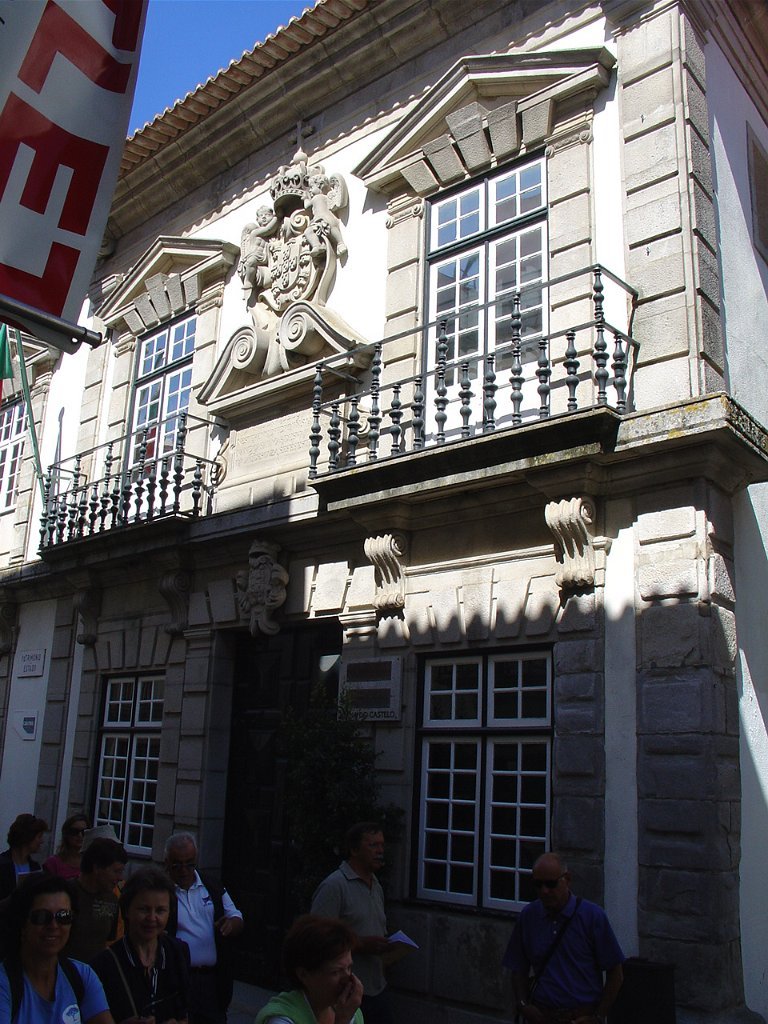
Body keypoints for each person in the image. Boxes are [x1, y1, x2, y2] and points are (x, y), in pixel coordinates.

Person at [504, 852, 625, 1024]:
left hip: (580, 1016)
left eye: (551, 884)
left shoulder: (592, 917)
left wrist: (598, 1016)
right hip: (542, 1015)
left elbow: (616, 973)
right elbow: (518, 968)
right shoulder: (529, 916)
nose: (544, 891)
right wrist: (523, 1005)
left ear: (567, 880)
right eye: (538, 885)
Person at [0, 872, 113, 1023]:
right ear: (22, 923)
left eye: (63, 916)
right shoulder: (4, 983)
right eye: (41, 917)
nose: (53, 926)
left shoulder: (83, 976)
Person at [310, 823, 391, 1024]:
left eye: (382, 845)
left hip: (376, 988)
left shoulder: (376, 886)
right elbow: (316, 938)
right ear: (354, 850)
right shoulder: (334, 886)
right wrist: (360, 944)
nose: (380, 851)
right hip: (345, 993)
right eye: (373, 845)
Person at [91, 867, 190, 1024]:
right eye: (144, 909)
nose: (152, 918)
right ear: (127, 910)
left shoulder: (177, 952)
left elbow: (185, 1012)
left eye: (160, 910)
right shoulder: (104, 963)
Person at [164, 832, 243, 1024]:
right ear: (167, 862)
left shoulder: (211, 886)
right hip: (178, 979)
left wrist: (230, 924)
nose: (184, 871)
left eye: (189, 864)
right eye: (177, 865)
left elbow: (236, 916)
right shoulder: (162, 890)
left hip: (210, 980)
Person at [255, 915, 363, 1024]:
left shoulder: (351, 1012)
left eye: (349, 968)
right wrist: (343, 1020)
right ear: (303, 975)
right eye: (335, 972)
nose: (347, 980)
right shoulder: (281, 1018)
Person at [64, 837, 128, 962]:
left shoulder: (112, 900)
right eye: (116, 871)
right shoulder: (65, 894)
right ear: (97, 868)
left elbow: (109, 941)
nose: (120, 877)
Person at [0, 814, 48, 901]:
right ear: (28, 837)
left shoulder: (35, 867)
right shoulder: (2, 865)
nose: (41, 841)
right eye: (39, 836)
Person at [43, 813, 90, 880]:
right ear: (66, 834)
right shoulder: (53, 863)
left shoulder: (93, 863)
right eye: (74, 831)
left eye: (84, 832)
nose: (80, 835)